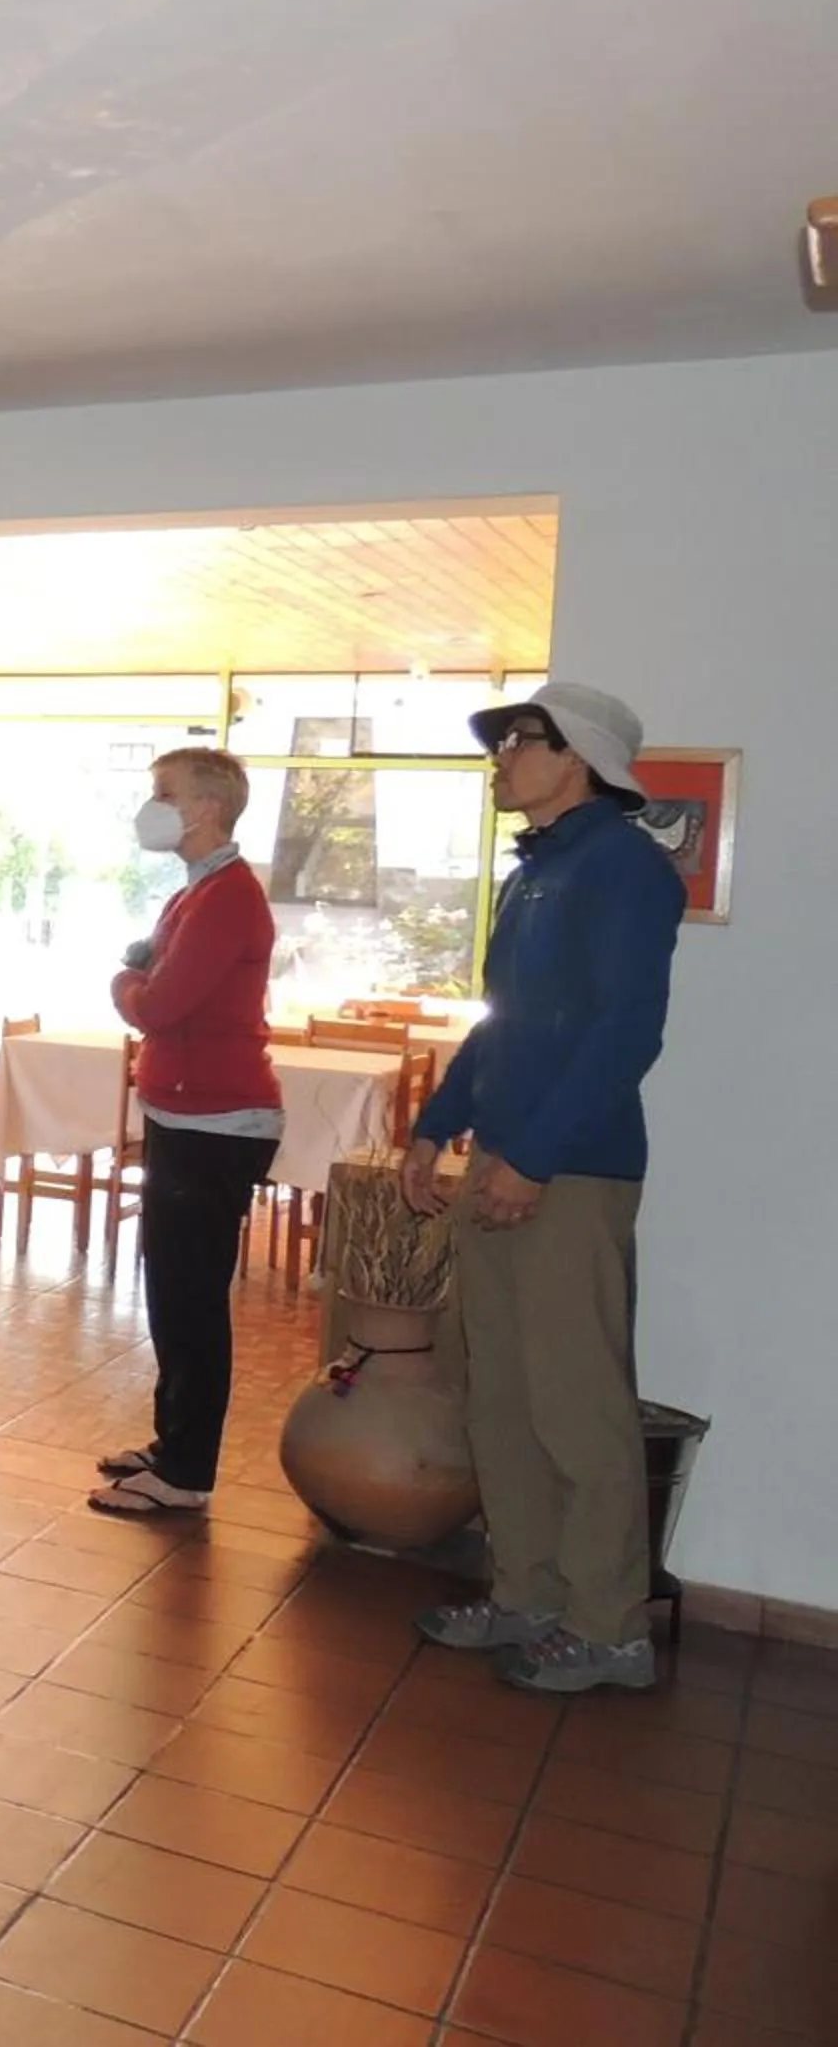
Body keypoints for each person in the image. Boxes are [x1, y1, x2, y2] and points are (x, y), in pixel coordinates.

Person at [403, 682, 684, 1695]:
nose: (502, 757)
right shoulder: (535, 874)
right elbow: (503, 1019)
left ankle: (610, 1628)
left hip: (572, 1170)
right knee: (502, 1398)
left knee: (577, 1405)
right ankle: (525, 1594)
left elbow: (625, 1033)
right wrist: (437, 1124)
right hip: (506, 1159)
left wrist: (535, 1158)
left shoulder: (625, 868)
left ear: (580, 758)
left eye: (520, 740)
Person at [90, 748, 281, 1519]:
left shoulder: (226, 897)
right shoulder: (198, 892)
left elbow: (160, 1005)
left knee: (190, 1299)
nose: (152, 807)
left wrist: (124, 982)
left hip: (215, 1123)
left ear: (206, 809)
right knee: (172, 1293)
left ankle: (188, 1469)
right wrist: (145, 977)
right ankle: (174, 1442)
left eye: (164, 794)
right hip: (188, 1115)